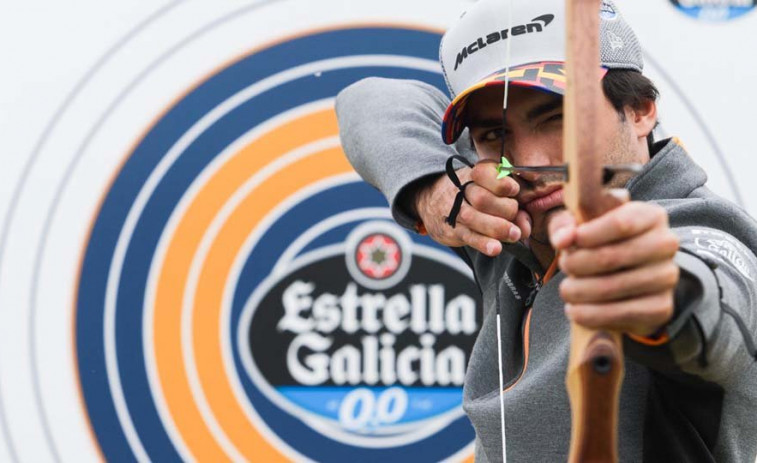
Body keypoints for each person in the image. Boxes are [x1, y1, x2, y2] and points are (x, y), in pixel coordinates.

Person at [335, 0, 757, 461]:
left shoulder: (700, 227)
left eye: (558, 118)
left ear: (640, 110)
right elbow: (366, 101)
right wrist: (433, 188)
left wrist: (655, 291)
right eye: (495, 135)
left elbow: (712, 293)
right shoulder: (503, 222)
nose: (529, 164)